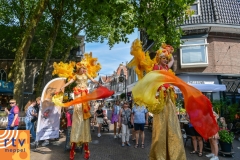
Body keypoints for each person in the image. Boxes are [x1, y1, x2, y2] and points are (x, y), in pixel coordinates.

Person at [60, 61, 99, 160]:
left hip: (85, 96)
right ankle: (72, 150)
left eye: (85, 68)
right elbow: (70, 82)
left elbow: (92, 80)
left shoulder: (86, 74)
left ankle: (86, 149)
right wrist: (63, 86)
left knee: (85, 113)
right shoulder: (76, 75)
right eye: (82, 68)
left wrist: (97, 82)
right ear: (79, 69)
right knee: (78, 112)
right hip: (78, 95)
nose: (84, 69)